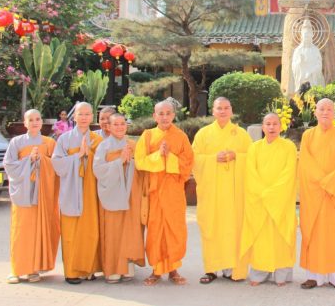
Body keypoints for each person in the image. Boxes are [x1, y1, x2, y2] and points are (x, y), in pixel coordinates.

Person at [192, 97, 253, 283]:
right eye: (219, 108)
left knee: (233, 230)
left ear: (231, 111)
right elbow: (193, 159)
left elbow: (252, 158)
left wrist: (237, 156)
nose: (223, 111)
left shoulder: (241, 134)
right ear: (213, 111)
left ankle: (232, 269)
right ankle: (211, 269)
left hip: (234, 193)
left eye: (226, 108)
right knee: (211, 228)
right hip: (211, 192)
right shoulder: (203, 134)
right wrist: (212, 159)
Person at [135, 100, 193, 286]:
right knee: (155, 231)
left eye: (168, 113)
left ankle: (174, 269)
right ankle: (156, 270)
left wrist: (170, 157)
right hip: (154, 192)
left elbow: (188, 163)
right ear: (154, 116)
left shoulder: (181, 136)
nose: (165, 117)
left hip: (174, 192)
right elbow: (140, 161)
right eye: (161, 113)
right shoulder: (147, 135)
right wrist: (158, 155)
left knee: (175, 230)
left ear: (174, 115)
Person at [299, 98, 335, 290]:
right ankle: (314, 276)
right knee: (313, 232)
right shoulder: (307, 135)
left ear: (334, 113)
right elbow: (305, 162)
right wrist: (322, 181)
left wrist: (330, 182)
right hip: (315, 193)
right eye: (321, 109)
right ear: (315, 112)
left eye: (329, 109)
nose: (325, 112)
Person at [240, 113, 297, 287]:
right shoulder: (254, 148)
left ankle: (281, 275)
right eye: (268, 124)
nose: (271, 127)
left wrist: (272, 194)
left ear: (281, 127)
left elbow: (289, 173)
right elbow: (251, 173)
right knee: (260, 238)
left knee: (281, 237)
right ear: (263, 127)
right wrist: (263, 193)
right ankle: (259, 274)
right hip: (259, 201)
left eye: (275, 124)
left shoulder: (289, 147)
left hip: (281, 200)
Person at [4, 109, 60, 284]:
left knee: (38, 230)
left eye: (37, 119)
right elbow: (9, 165)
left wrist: (42, 160)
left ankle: (33, 269)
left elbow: (57, 166)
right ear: (25, 123)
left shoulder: (49, 143)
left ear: (42, 122)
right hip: (23, 193)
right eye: (31, 119)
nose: (35, 122)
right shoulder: (16, 142)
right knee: (21, 230)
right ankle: (17, 269)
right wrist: (29, 160)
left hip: (43, 194)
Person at [52, 102, 103, 284]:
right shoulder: (64, 139)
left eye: (87, 114)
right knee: (71, 231)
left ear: (92, 117)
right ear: (74, 117)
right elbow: (57, 163)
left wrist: (90, 155)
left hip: (91, 190)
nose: (84, 117)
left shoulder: (97, 140)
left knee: (90, 229)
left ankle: (88, 269)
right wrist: (78, 156)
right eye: (80, 114)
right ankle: (72, 271)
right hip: (71, 189)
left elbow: (103, 166)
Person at [93, 113, 145, 284]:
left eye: (123, 123)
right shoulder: (103, 146)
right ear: (108, 127)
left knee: (130, 229)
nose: (120, 127)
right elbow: (98, 170)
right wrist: (119, 162)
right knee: (113, 230)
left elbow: (142, 167)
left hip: (131, 194)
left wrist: (132, 161)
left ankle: (127, 265)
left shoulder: (132, 144)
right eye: (116, 124)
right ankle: (113, 269)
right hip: (112, 193)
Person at [291, 18, 325, 93]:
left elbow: (319, 65)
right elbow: (294, 65)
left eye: (308, 36)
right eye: (305, 36)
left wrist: (311, 72)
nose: (307, 38)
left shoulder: (315, 50)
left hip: (312, 76)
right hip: (302, 76)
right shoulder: (298, 50)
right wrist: (299, 62)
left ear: (312, 36)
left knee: (313, 92)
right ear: (302, 37)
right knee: (301, 92)